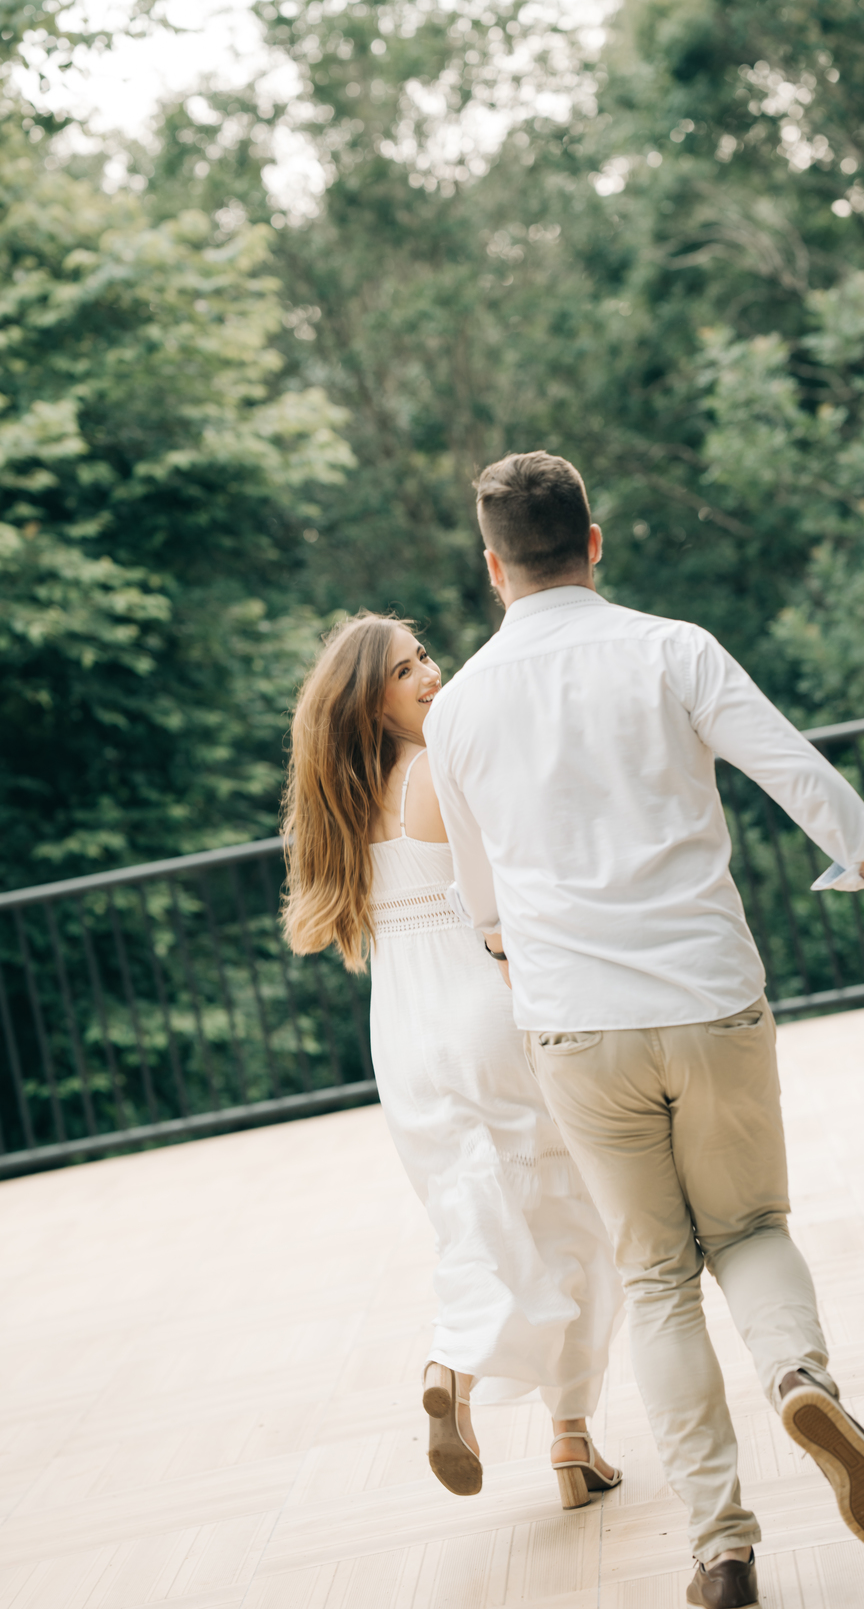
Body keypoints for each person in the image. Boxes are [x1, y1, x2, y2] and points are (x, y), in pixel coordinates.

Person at [423, 451, 864, 1609]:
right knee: (753, 1225)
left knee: (658, 1273)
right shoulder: (670, 647)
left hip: (577, 1026)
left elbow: (481, 908)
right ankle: (797, 1379)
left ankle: (721, 1549)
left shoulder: (461, 704)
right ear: (595, 540)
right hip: (709, 997)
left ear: (492, 567)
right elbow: (796, 774)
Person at [282, 612, 625, 1506]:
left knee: (474, 1209)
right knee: (575, 1218)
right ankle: (563, 1429)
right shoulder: (443, 769)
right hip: (485, 1009)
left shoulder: (340, 805)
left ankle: (462, 1374)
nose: (431, 674)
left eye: (425, 655)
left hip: (403, 1030)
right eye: (406, 670)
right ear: (372, 699)